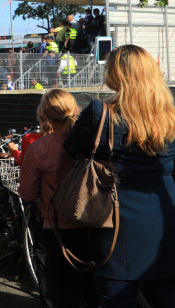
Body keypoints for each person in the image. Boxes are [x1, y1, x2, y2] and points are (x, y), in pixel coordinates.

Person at [64, 45, 175, 307]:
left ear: (117, 74)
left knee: (116, 299)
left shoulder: (99, 113)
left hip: (115, 219)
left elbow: (71, 149)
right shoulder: (170, 116)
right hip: (165, 217)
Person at [18, 89, 98, 308]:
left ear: (45, 114)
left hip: (56, 228)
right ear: (74, 109)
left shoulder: (39, 147)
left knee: (64, 291)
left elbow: (28, 194)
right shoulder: (92, 142)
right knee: (95, 288)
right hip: (92, 221)